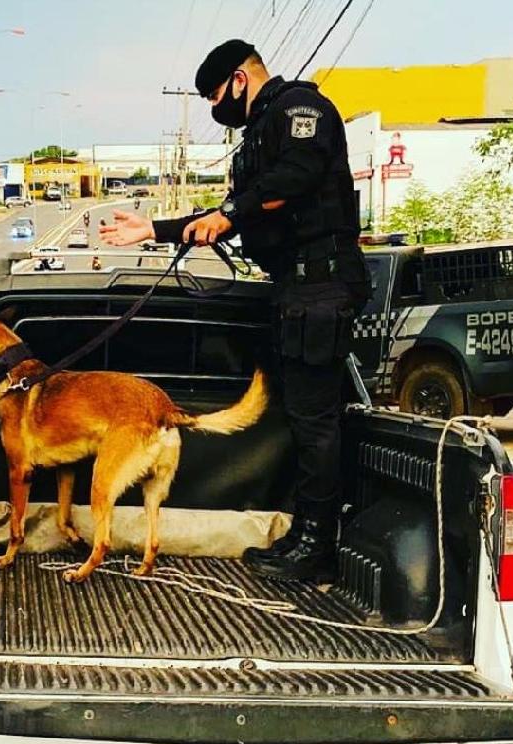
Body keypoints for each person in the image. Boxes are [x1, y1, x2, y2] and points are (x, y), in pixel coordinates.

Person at [100, 39, 370, 584]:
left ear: (241, 80)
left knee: (316, 423)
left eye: (215, 95)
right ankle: (303, 534)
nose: (214, 109)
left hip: (321, 283)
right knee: (300, 417)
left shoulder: (301, 110)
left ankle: (318, 547)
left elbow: (295, 176)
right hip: (295, 288)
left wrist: (229, 214)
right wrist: (155, 229)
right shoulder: (260, 131)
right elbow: (239, 211)